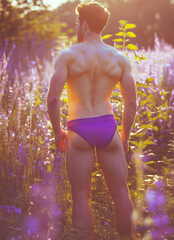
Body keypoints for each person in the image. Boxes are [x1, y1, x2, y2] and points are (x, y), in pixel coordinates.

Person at [47, 2, 137, 239]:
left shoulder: (68, 55)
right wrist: (125, 138)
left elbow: (53, 100)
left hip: (79, 128)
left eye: (78, 22)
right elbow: (131, 103)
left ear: (84, 24)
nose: (77, 26)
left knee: (80, 196)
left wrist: (58, 133)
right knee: (121, 194)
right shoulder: (119, 58)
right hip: (108, 127)